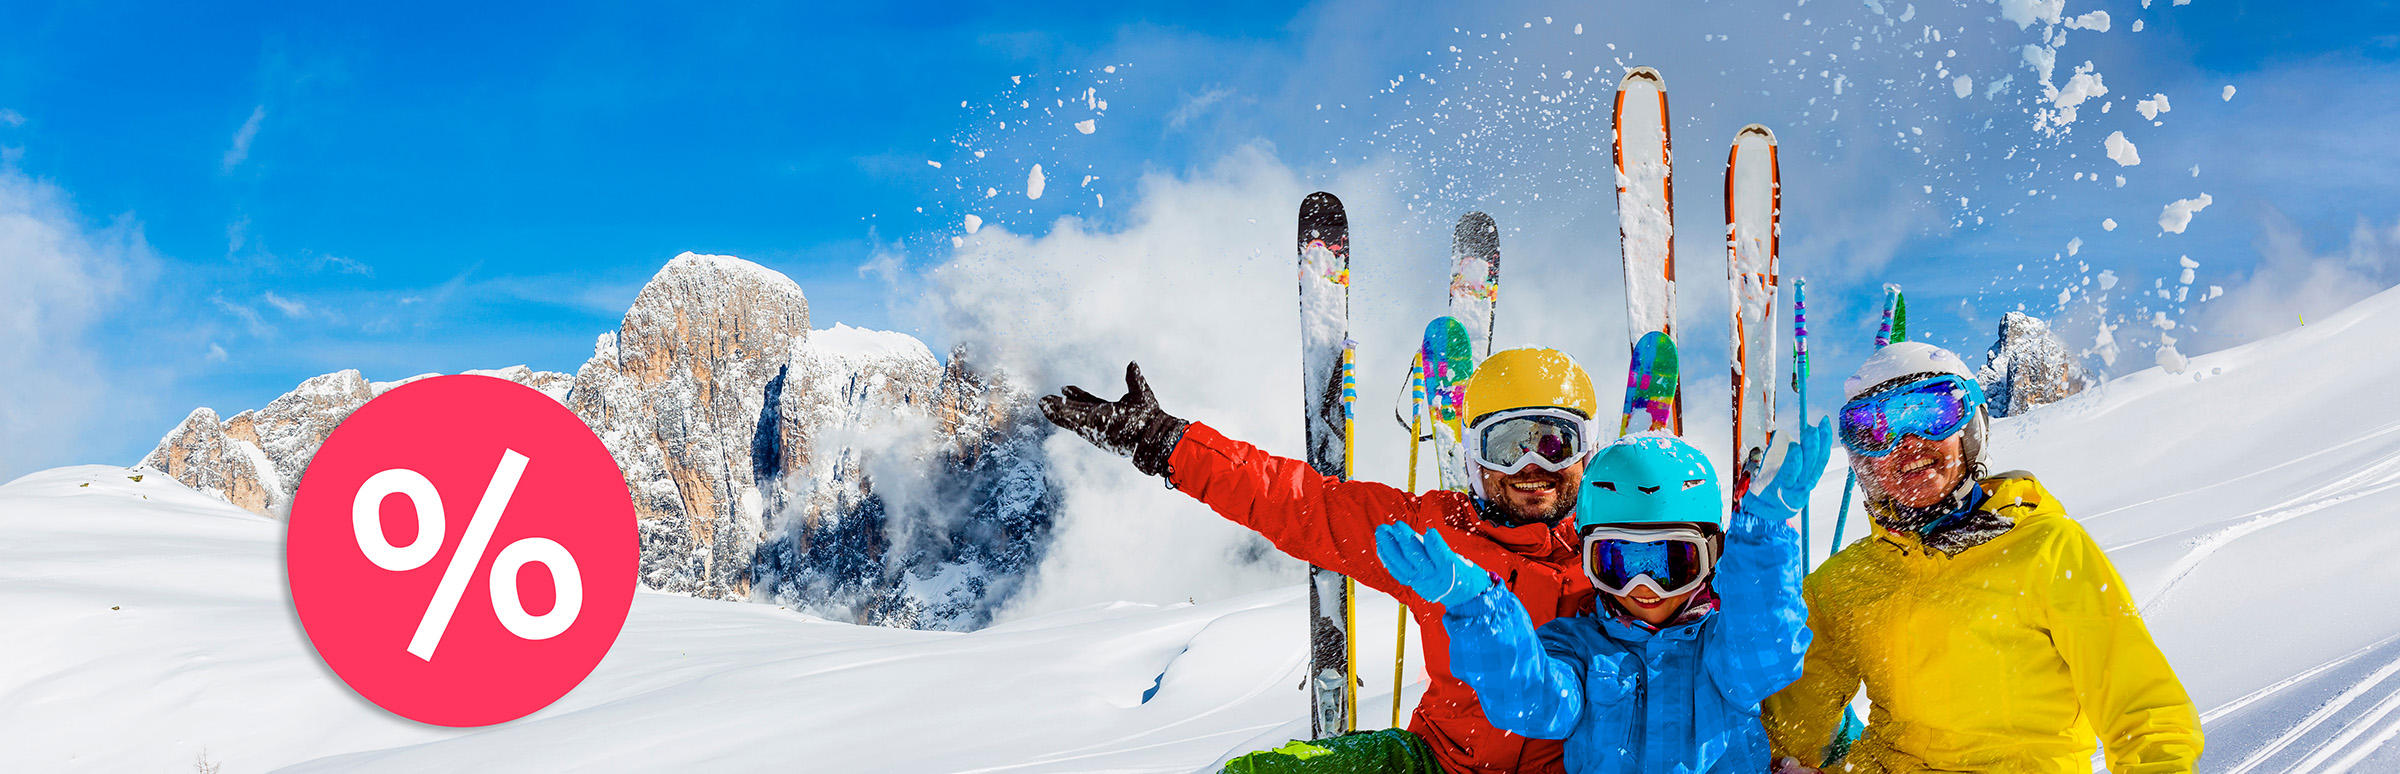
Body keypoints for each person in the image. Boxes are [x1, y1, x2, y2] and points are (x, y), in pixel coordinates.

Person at [1040, 350, 1608, 773]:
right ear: (1474, 458)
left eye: (1555, 442)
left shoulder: (1628, 550)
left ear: (1586, 450)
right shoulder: (1436, 536)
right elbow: (1299, 503)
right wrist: (1166, 443)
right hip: (1439, 762)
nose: (1532, 466)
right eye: (1506, 446)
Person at [1761, 342, 2205, 773]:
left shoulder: (2046, 549)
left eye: (1932, 413)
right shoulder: (1844, 583)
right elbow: (1790, 730)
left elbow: (2143, 708)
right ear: (1863, 462)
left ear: (1970, 430)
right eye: (1875, 429)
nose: (1906, 443)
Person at [1375, 428, 1824, 773]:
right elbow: (1530, 702)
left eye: (1672, 562)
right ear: (1590, 560)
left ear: (1710, 557)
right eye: (1617, 562)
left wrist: (1764, 537)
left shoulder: (1721, 647)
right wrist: (1477, 605)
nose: (1644, 585)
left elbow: (1768, 656)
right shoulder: (1577, 646)